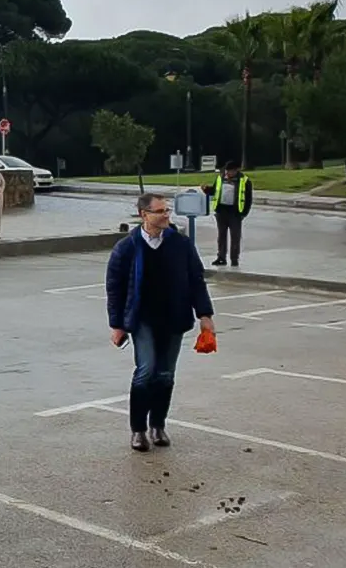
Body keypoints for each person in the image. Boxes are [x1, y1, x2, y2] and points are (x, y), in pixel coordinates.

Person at [105, 192, 215, 452]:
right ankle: (138, 430)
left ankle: (158, 425)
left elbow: (196, 280)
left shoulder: (180, 244)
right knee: (145, 372)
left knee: (165, 375)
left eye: (167, 210)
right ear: (145, 215)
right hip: (142, 319)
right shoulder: (127, 247)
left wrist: (205, 316)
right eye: (160, 211)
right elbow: (115, 288)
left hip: (173, 317)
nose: (166, 215)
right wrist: (117, 325)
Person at [201, 161, 253, 267]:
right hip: (221, 211)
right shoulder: (220, 178)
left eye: (231, 171)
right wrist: (206, 189)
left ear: (236, 171)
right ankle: (221, 257)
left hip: (235, 213)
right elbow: (215, 191)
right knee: (221, 236)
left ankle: (234, 259)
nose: (228, 173)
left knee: (235, 237)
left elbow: (248, 199)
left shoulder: (244, 180)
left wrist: (244, 213)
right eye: (227, 171)